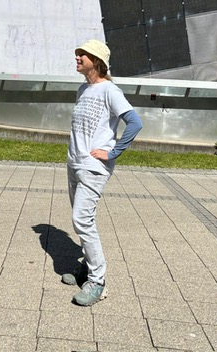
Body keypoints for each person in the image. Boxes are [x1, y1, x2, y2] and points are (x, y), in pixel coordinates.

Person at [63, 39, 143, 306]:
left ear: (96, 61)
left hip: (94, 168)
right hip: (74, 164)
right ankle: (86, 268)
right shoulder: (83, 89)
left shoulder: (110, 90)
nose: (77, 58)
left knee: (82, 220)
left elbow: (134, 122)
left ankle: (98, 282)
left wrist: (113, 152)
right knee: (81, 219)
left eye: (82, 55)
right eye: (77, 54)